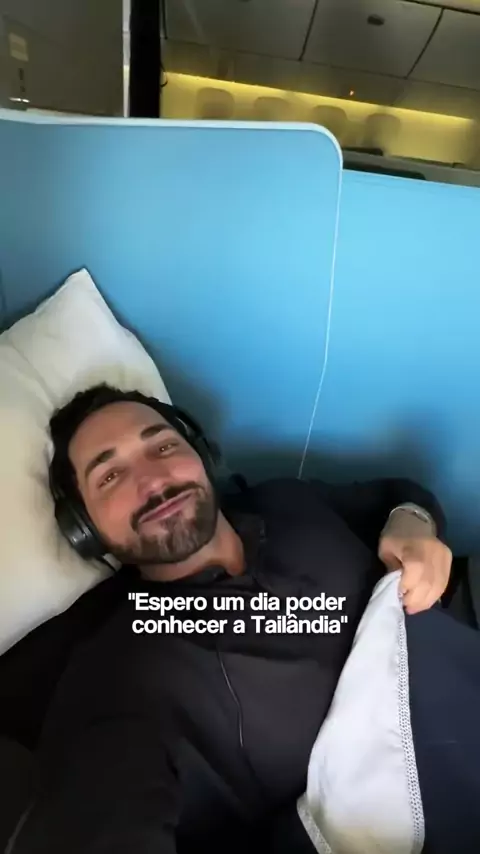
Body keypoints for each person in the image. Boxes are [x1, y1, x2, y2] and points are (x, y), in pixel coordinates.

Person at [11, 384, 452, 854]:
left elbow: (399, 498)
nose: (154, 481)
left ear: (201, 454)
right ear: (86, 530)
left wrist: (412, 525)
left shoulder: (286, 501)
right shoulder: (126, 674)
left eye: (163, 447)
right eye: (111, 476)